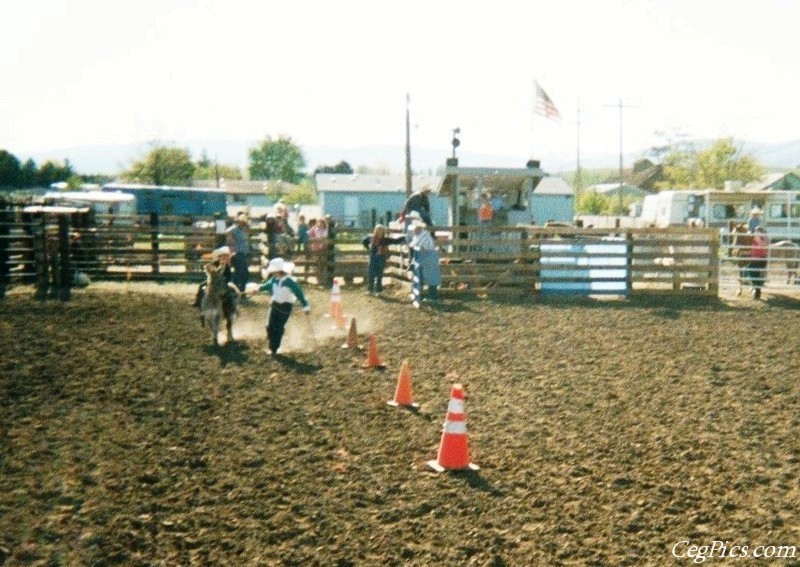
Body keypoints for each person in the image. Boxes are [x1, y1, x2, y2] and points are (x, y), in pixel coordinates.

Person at [249, 257, 310, 355]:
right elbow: (266, 285)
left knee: (279, 327)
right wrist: (257, 289)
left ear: (279, 271)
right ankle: (272, 342)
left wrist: (305, 305)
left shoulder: (289, 282)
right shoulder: (274, 279)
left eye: (273, 271)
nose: (272, 273)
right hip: (275, 305)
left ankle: (274, 348)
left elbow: (299, 293)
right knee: (269, 326)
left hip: (285, 307)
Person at [362, 224, 405, 295]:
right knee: (371, 274)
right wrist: (368, 248)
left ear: (382, 231)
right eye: (377, 230)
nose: (379, 232)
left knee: (379, 274)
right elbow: (364, 241)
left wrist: (405, 237)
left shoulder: (385, 240)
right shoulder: (371, 238)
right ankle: (370, 290)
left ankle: (379, 291)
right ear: (375, 231)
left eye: (380, 230)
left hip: (381, 258)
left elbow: (396, 241)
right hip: (373, 257)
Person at [409, 221, 441, 307]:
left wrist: (416, 248)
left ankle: (432, 298)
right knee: (426, 277)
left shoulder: (424, 236)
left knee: (431, 277)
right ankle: (423, 296)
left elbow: (424, 248)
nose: (414, 230)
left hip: (429, 259)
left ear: (419, 228)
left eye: (415, 229)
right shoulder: (420, 236)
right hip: (426, 259)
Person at [226, 212, 251, 293]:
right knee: (240, 272)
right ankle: (237, 289)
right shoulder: (235, 228)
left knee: (243, 272)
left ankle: (240, 289)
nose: (243, 223)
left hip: (243, 252)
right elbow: (228, 232)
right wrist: (232, 242)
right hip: (238, 252)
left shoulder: (243, 229)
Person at [748, 225, 769, 299]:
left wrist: (757, 238)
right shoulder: (754, 239)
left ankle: (757, 290)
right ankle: (756, 288)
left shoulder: (764, 239)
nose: (755, 233)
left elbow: (763, 246)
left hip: (761, 259)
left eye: (757, 231)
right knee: (750, 271)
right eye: (755, 231)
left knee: (754, 272)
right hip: (754, 259)